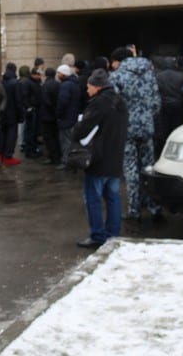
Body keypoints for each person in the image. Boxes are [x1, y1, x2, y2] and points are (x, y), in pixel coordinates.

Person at [72, 68, 128, 249]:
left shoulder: (98, 103)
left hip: (98, 158)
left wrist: (76, 130)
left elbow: (83, 129)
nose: (87, 91)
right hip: (116, 157)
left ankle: (97, 235)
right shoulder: (120, 101)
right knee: (112, 196)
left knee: (92, 197)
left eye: (89, 87)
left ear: (97, 87)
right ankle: (113, 233)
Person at [109, 46, 162, 223]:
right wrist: (146, 116)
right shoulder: (149, 73)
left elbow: (112, 104)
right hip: (147, 126)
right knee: (148, 167)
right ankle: (153, 204)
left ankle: (134, 209)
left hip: (126, 128)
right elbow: (156, 102)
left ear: (118, 60)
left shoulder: (116, 76)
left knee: (130, 168)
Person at [55, 63, 81, 170]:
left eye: (59, 73)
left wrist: (58, 114)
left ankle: (66, 162)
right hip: (73, 116)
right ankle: (73, 161)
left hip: (66, 118)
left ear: (63, 74)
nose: (57, 74)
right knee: (71, 141)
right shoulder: (75, 84)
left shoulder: (65, 85)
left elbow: (63, 102)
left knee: (65, 141)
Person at [1, 62, 23, 166]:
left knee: (2, 134)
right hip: (12, 113)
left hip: (1, 113)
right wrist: (21, 115)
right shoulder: (15, 83)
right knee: (11, 135)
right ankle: (8, 156)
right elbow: (18, 101)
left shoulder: (1, 82)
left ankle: (1, 154)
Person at [20, 66, 43, 158]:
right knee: (30, 131)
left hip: (36, 109)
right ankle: (29, 150)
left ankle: (33, 148)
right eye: (37, 74)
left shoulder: (36, 83)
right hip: (31, 110)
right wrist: (28, 107)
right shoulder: (28, 83)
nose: (38, 76)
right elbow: (25, 96)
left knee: (34, 131)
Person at [40, 67, 61, 165]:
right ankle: (57, 156)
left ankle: (53, 157)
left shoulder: (45, 85)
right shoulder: (58, 84)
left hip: (47, 116)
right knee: (56, 136)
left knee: (48, 137)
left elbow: (46, 101)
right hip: (55, 116)